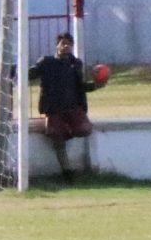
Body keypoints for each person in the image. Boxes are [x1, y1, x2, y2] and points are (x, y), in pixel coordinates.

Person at [31, 32, 106, 181]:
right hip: (54, 109)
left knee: (85, 129)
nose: (66, 46)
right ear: (57, 45)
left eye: (69, 44)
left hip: (73, 108)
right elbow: (31, 74)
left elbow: (80, 86)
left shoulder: (75, 64)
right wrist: (14, 71)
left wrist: (96, 85)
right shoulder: (47, 62)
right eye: (63, 43)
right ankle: (67, 173)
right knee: (57, 140)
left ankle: (65, 131)